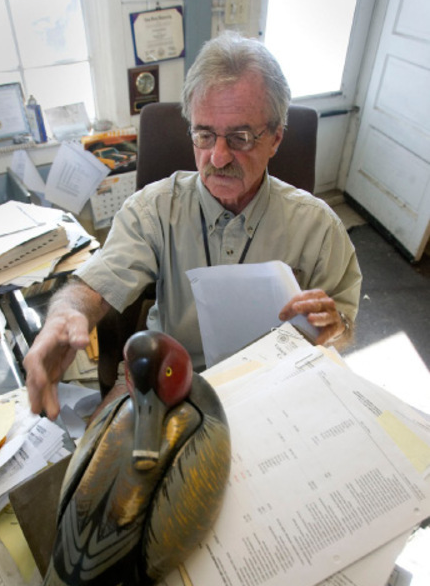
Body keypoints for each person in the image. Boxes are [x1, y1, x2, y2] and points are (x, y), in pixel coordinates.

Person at [24, 31, 362, 421]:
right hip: (169, 386)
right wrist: (66, 314)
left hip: (273, 390)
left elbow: (344, 327)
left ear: (275, 139)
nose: (217, 157)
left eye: (240, 137)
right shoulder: (154, 208)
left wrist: (335, 326)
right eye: (204, 134)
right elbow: (94, 286)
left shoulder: (318, 227)